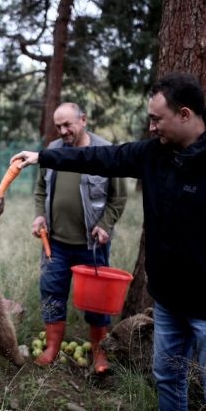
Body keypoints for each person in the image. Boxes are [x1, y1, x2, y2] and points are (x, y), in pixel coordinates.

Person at [11, 73, 206, 411]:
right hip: (168, 303)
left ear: (185, 114)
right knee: (167, 379)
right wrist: (43, 157)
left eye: (157, 119)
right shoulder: (154, 154)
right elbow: (103, 158)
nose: (151, 127)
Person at [32, 102, 127, 373]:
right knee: (51, 292)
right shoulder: (52, 151)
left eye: (67, 125)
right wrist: (40, 216)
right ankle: (52, 347)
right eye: (58, 126)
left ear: (83, 120)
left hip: (92, 245)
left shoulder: (105, 151)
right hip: (55, 244)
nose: (62, 131)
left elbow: (118, 197)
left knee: (99, 302)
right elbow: (41, 190)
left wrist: (106, 224)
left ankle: (99, 353)